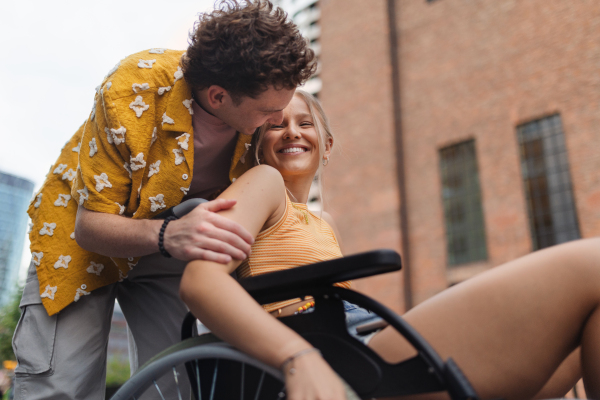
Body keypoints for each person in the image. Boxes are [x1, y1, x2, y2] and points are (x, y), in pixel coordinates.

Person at [179, 89, 600, 400]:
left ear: (325, 147)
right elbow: (199, 284)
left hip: (357, 336)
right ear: (258, 146)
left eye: (305, 123)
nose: (291, 131)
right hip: (331, 352)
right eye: (275, 124)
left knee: (587, 334)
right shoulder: (262, 182)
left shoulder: (325, 223)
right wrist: (296, 357)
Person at [13, 1, 316, 399]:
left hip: (177, 240)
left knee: (180, 381)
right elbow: (88, 227)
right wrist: (167, 234)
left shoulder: (265, 107)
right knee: (60, 386)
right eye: (269, 111)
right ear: (219, 96)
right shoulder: (130, 89)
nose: (278, 121)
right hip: (83, 238)